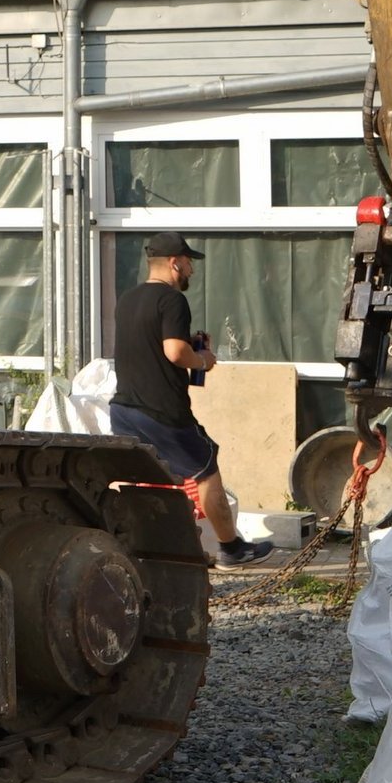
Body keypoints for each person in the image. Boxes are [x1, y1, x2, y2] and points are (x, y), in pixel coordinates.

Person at [109, 232, 273, 566]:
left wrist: (189, 344)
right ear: (174, 263)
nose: (191, 271)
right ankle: (231, 549)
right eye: (187, 263)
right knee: (205, 467)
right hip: (163, 411)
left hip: (124, 407)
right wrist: (203, 360)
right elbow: (174, 351)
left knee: (146, 479)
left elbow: (150, 345)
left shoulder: (127, 299)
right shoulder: (171, 300)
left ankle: (143, 549)